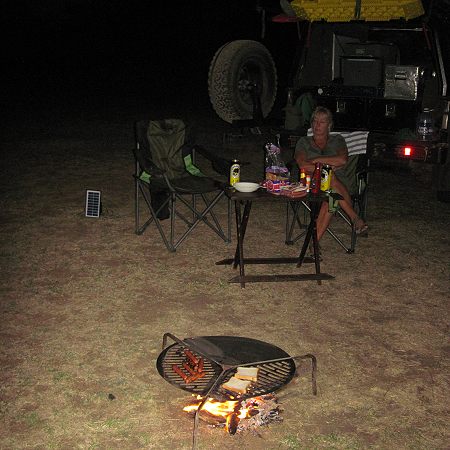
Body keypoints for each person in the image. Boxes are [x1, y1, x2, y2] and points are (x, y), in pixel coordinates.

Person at [294, 106, 368, 243]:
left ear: (329, 125)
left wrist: (316, 161)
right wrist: (327, 167)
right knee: (329, 187)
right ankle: (354, 217)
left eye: (322, 122)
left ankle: (312, 245)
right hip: (313, 185)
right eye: (315, 121)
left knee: (330, 189)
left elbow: (342, 159)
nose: (317, 125)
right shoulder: (304, 142)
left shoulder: (337, 140)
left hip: (342, 186)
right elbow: (303, 165)